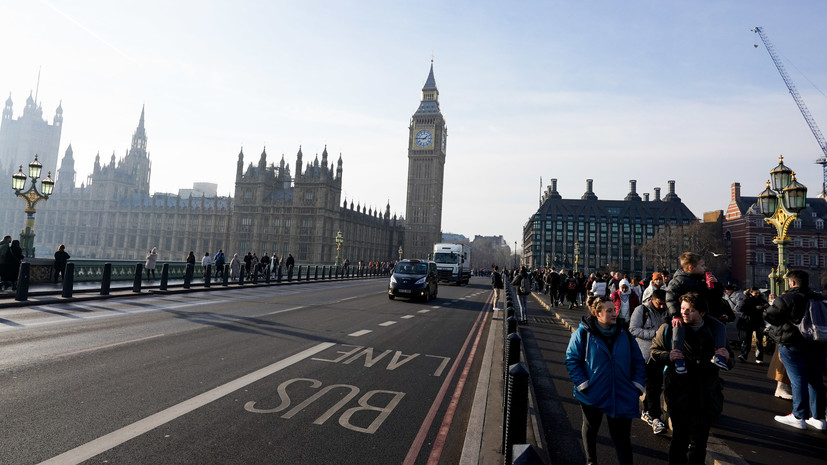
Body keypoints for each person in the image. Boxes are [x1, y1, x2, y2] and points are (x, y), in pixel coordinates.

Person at [650, 292, 734, 465]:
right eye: (682, 309)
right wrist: (668, 356)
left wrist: (727, 357)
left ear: (702, 313)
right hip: (679, 392)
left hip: (706, 395)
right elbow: (654, 352)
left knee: (699, 443)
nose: (684, 313)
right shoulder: (669, 328)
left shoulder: (715, 331)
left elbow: (730, 360)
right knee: (680, 439)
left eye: (690, 310)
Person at [565, 295, 645, 465]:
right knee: (591, 428)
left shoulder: (625, 334)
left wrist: (637, 386)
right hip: (592, 393)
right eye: (609, 310)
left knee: (622, 438)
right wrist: (583, 384)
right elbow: (572, 359)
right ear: (597, 313)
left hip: (622, 393)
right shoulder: (583, 334)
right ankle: (591, 460)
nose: (614, 313)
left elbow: (638, 361)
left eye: (614, 309)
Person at [763, 269, 826, 431]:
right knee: (816, 380)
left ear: (792, 282)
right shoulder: (819, 298)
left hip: (793, 344)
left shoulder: (787, 298)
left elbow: (770, 316)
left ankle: (799, 416)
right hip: (817, 343)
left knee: (798, 379)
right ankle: (818, 418)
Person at [665, 252, 730, 374]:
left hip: (701, 315)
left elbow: (714, 298)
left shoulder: (702, 280)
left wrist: (716, 285)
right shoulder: (678, 281)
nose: (705, 268)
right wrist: (676, 315)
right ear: (691, 268)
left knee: (719, 326)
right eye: (702, 265)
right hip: (683, 316)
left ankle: (719, 355)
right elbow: (670, 298)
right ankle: (678, 357)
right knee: (678, 328)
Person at [629, 288, 669, 435]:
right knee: (647, 385)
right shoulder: (641, 310)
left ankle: (651, 413)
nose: (662, 306)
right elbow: (633, 329)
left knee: (655, 386)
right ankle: (651, 414)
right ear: (652, 300)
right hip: (644, 354)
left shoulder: (667, 311)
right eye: (659, 304)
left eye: (664, 304)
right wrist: (654, 334)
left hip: (660, 355)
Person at [737, 287, 768, 364]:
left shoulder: (761, 299)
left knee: (759, 340)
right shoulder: (747, 300)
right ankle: (744, 355)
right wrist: (755, 308)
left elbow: (767, 305)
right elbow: (742, 309)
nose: (757, 294)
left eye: (758, 293)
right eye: (755, 293)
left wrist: (765, 305)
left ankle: (758, 357)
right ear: (751, 293)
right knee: (748, 339)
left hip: (757, 321)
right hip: (750, 321)